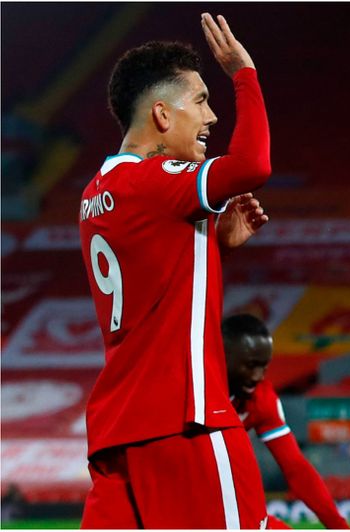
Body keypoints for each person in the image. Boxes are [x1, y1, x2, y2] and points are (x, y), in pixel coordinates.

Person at [79, 14, 273, 528]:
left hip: (119, 431)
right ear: (162, 115)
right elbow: (252, 165)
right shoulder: (156, 179)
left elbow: (153, 285)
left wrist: (215, 246)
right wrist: (243, 74)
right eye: (202, 102)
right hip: (187, 418)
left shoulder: (96, 193)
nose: (211, 118)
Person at [223, 314, 350, 530]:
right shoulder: (186, 391)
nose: (258, 376)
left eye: (264, 366)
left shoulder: (261, 399)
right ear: (221, 355)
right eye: (251, 365)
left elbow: (296, 468)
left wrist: (339, 527)